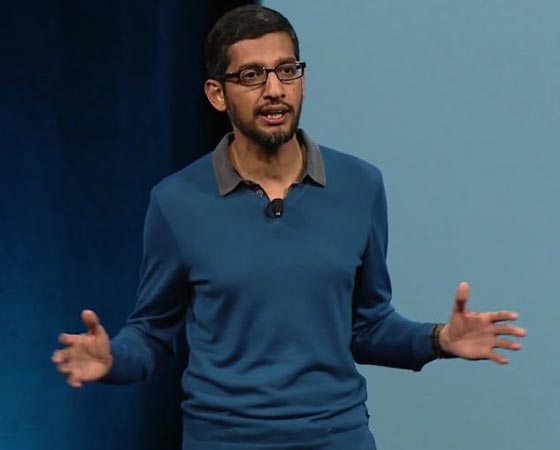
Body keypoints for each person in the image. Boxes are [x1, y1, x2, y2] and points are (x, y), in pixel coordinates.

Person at [52, 5, 527, 450]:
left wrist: (439, 339)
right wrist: (113, 359)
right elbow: (154, 333)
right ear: (217, 94)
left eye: (287, 70)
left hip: (336, 435)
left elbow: (367, 326)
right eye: (252, 76)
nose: (274, 89)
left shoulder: (360, 185)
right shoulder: (176, 201)